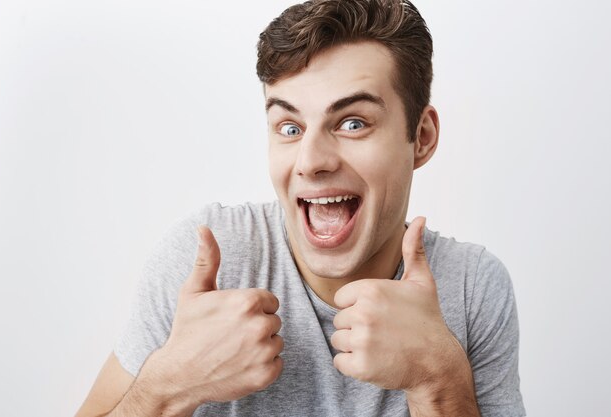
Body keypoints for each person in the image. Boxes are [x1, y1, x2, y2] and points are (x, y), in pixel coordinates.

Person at [76, 0, 525, 416]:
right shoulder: (210, 260)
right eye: (289, 127)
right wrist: (169, 386)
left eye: (353, 123)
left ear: (421, 137)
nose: (310, 161)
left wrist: (437, 380)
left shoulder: (471, 287)